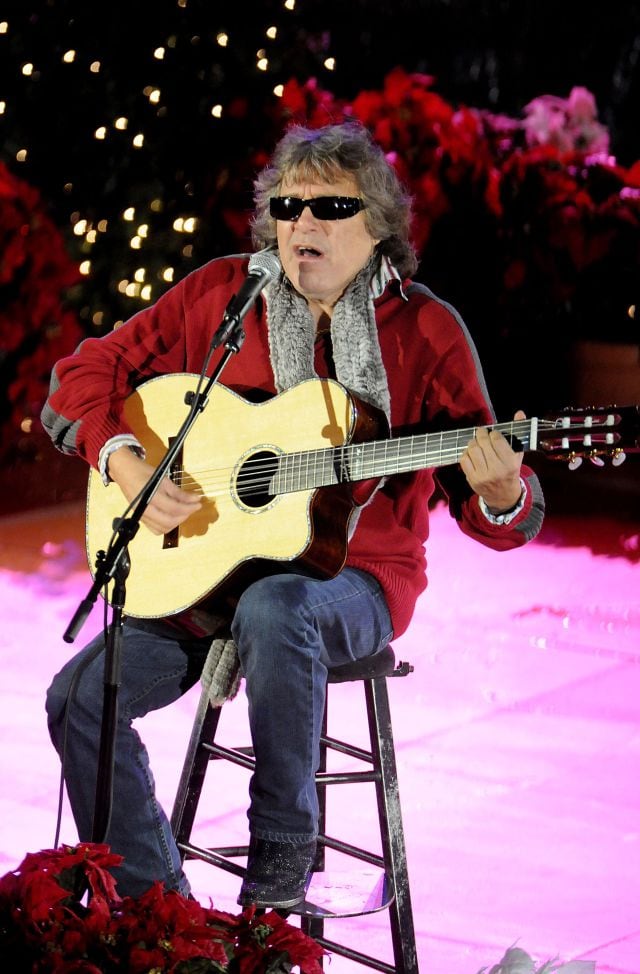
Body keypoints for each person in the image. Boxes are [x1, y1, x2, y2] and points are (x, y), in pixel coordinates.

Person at [42, 120, 545, 911]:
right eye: (288, 206)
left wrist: (504, 493)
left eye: (330, 209)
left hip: (354, 580)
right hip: (208, 571)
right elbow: (83, 371)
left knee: (277, 606)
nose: (302, 224)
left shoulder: (427, 329)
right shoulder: (221, 295)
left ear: (379, 226)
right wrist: (127, 459)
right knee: (78, 698)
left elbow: (496, 512)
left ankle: (282, 852)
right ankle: (161, 914)